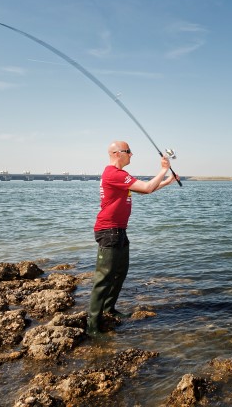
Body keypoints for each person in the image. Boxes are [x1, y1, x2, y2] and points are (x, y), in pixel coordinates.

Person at [87, 140, 178, 337]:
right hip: (108, 230)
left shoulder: (120, 176)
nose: (132, 154)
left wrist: (167, 181)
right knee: (103, 279)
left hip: (119, 230)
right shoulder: (113, 173)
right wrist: (164, 170)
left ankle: (109, 309)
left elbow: (147, 189)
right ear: (117, 153)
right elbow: (145, 187)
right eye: (128, 151)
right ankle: (92, 325)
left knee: (120, 272)